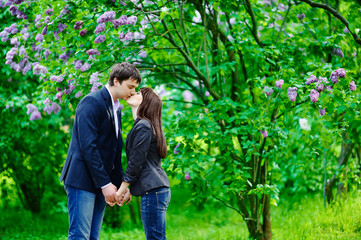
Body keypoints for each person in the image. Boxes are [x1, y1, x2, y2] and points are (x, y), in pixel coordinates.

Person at [59, 62, 141, 240]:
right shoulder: (91, 101)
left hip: (100, 181)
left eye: (135, 88)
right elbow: (89, 147)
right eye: (131, 87)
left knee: (93, 237)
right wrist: (106, 185)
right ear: (116, 81)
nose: (133, 92)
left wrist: (120, 185)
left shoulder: (116, 108)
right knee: (80, 236)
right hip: (81, 180)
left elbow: (114, 150)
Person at [116, 87, 171, 240]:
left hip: (153, 191)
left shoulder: (144, 126)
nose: (133, 92)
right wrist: (129, 189)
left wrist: (121, 190)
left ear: (146, 103)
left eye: (139, 93)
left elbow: (135, 163)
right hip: (156, 189)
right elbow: (141, 163)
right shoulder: (144, 125)